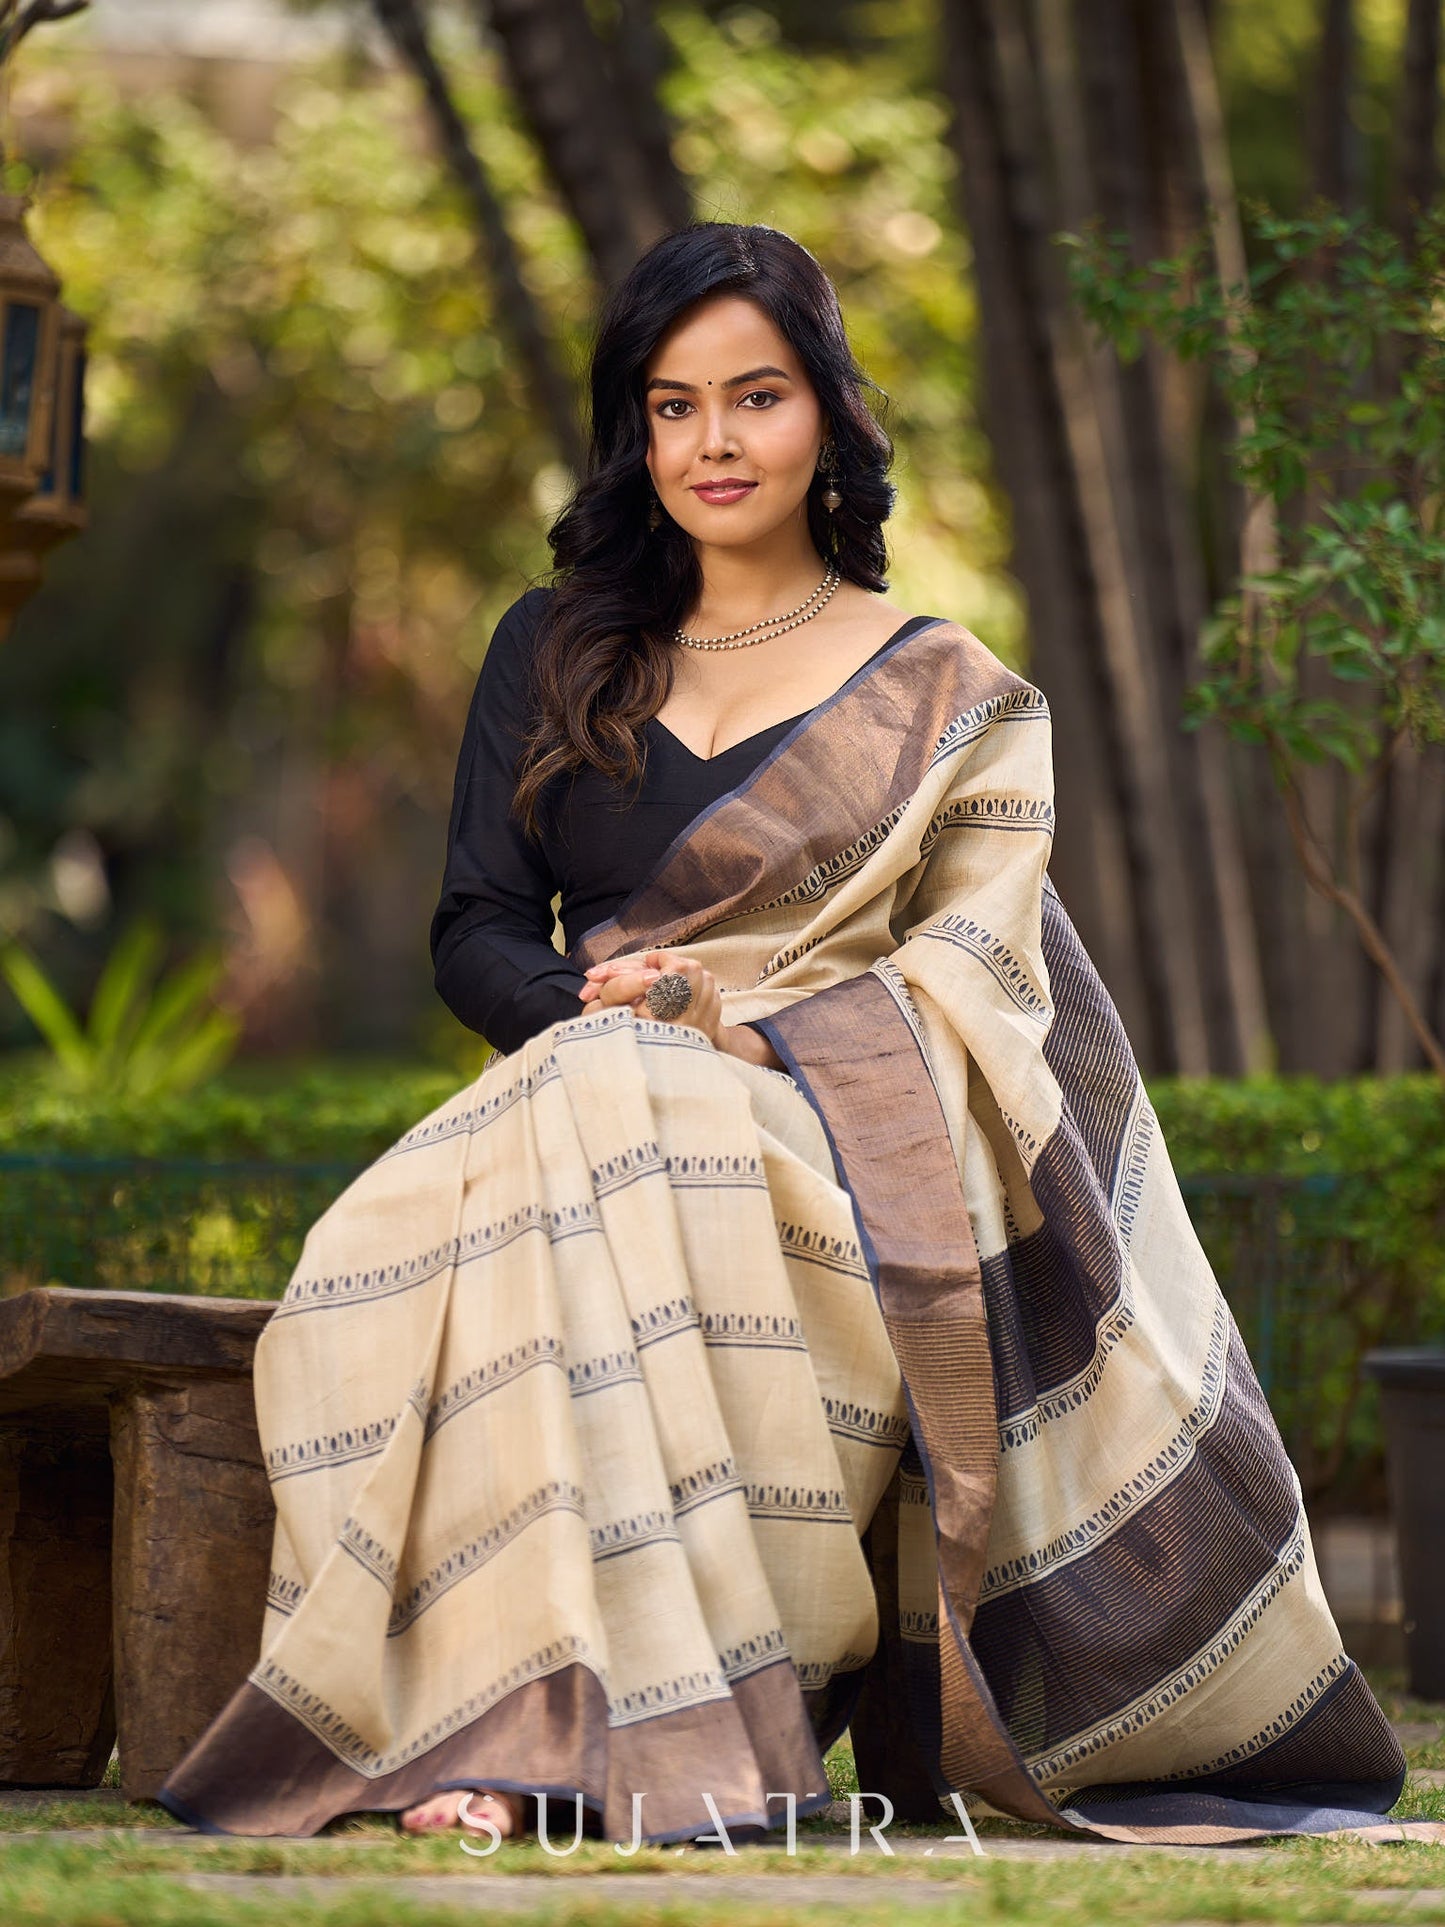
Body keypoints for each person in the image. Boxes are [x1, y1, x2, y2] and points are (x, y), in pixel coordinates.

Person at [159, 222, 1412, 1849]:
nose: (713, 442)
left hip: (831, 1136)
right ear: (636, 428)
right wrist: (607, 1017)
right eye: (673, 407)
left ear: (823, 412)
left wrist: (723, 1028)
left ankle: (611, 1742)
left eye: (752, 397)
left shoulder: (941, 688)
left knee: (645, 1142)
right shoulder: (553, 648)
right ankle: (501, 1720)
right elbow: (475, 928)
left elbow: (976, 980)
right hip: (587, 1091)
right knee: (379, 1242)